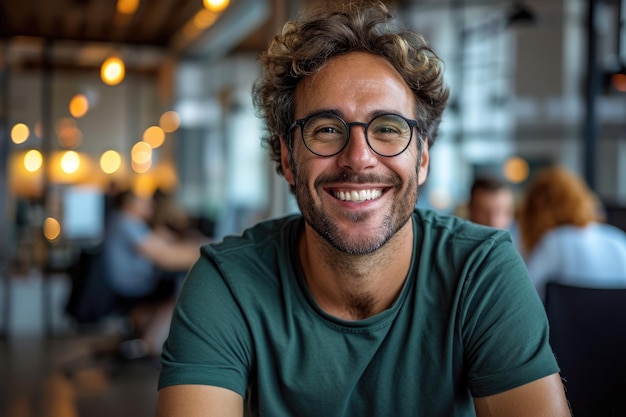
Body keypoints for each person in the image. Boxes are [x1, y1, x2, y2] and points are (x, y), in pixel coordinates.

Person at [156, 2, 570, 416]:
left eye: (388, 128)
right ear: (287, 158)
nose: (359, 157)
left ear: (422, 158)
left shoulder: (480, 270)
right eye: (327, 129)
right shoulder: (228, 283)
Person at [103, 189, 204, 357]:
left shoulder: (123, 221)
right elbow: (165, 258)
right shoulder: (126, 222)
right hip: (131, 285)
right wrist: (203, 250)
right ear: (129, 203)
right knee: (185, 290)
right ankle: (150, 342)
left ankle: (146, 332)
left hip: (127, 282)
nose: (149, 205)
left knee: (175, 284)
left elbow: (157, 244)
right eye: (143, 201)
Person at [517, 165, 626, 301]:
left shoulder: (554, 242)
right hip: (616, 322)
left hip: (565, 322)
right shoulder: (617, 239)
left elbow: (522, 296)